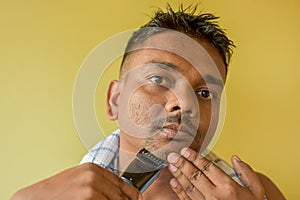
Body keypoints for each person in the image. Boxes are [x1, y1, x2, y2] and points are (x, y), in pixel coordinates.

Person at [11, 5, 285, 200]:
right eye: (159, 78)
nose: (184, 103)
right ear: (115, 100)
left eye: (204, 94)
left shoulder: (258, 193)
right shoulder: (57, 197)